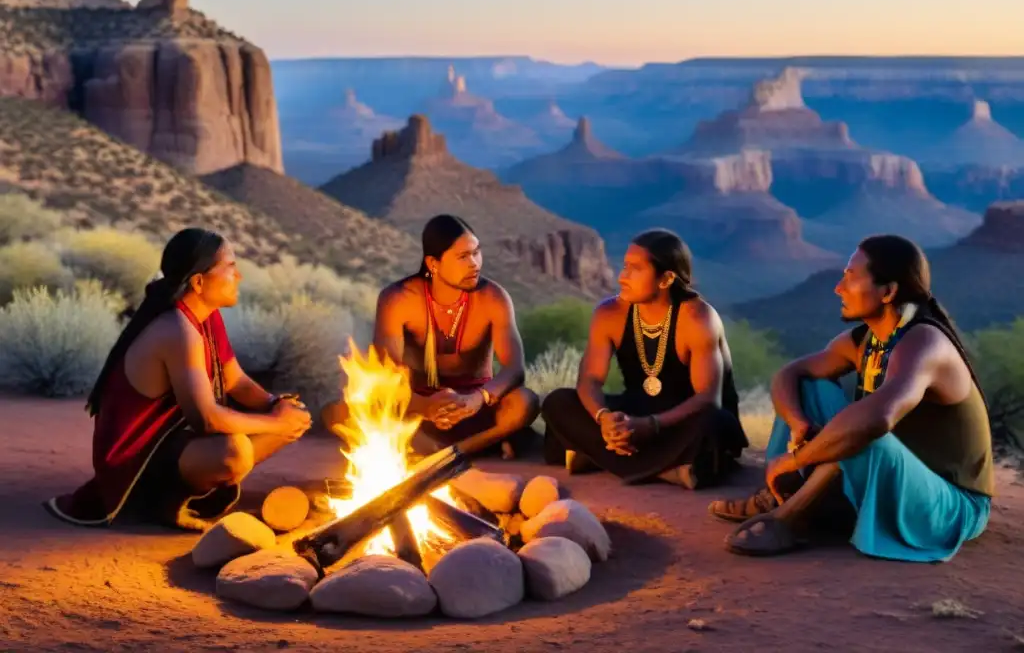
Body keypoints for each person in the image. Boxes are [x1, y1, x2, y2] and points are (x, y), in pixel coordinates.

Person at [710, 235, 995, 562]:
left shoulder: (925, 343)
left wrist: (795, 460)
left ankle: (790, 517)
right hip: (896, 480)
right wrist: (799, 425)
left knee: (863, 429)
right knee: (811, 389)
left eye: (851, 277)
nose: (838, 288)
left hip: (950, 507)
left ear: (888, 292)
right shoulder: (867, 341)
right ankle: (781, 495)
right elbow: (789, 374)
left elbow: (876, 420)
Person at [45, 228, 312, 531]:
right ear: (199, 282)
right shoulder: (177, 329)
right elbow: (207, 420)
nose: (239, 278)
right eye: (231, 268)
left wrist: (276, 404)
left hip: (173, 446)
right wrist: (276, 422)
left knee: (295, 417)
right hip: (137, 464)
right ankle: (166, 502)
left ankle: (190, 490)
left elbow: (235, 380)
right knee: (234, 453)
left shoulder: (205, 315)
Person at [540, 229, 748, 488]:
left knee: (713, 423)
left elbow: (707, 398)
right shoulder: (609, 314)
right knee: (558, 401)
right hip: (637, 411)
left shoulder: (697, 318)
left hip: (683, 418)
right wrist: (604, 419)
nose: (621, 277)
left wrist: (651, 426)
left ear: (666, 279)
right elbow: (590, 379)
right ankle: (669, 471)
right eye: (624, 266)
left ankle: (599, 458)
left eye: (635, 269)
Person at [323, 214, 539, 458]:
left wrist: (477, 399)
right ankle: (475, 447)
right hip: (419, 409)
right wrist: (426, 406)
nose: (475, 264)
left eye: (477, 252)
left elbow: (514, 369)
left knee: (525, 401)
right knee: (340, 412)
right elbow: (385, 375)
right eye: (463, 257)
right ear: (433, 264)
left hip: (475, 408)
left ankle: (450, 453)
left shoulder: (494, 298)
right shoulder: (398, 299)